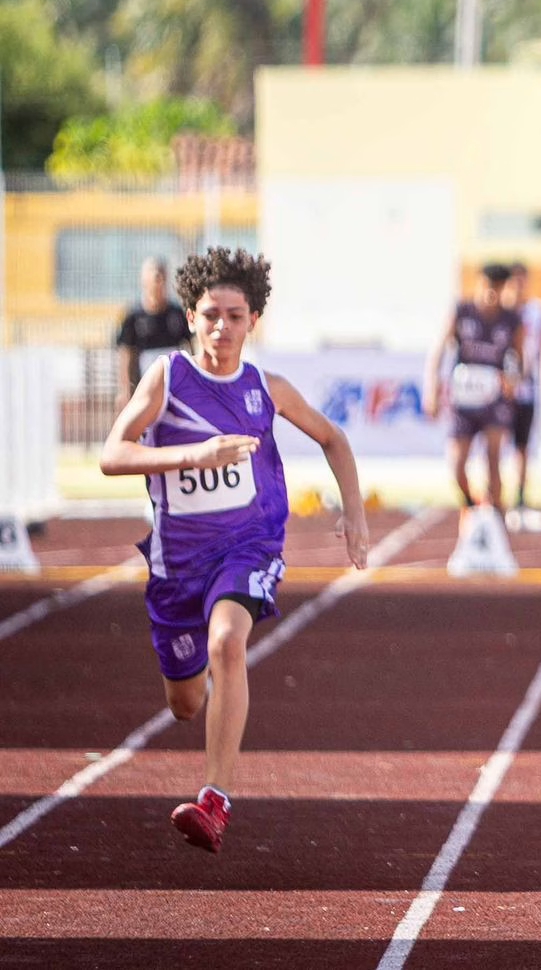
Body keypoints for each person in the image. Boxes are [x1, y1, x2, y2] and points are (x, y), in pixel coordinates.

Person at [99, 246, 368, 854]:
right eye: (211, 314)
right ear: (190, 318)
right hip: (177, 564)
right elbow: (113, 454)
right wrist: (195, 455)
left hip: (249, 546)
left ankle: (215, 801)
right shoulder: (167, 378)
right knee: (186, 703)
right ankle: (192, 693)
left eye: (235, 315)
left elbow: (333, 437)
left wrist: (354, 515)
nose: (223, 326)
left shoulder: (264, 388)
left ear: (253, 321)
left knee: (227, 642)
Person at [424, 264, 525, 520]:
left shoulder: (512, 320)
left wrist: (512, 381)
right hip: (463, 398)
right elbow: (438, 351)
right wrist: (432, 389)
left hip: (494, 399)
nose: (491, 294)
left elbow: (520, 359)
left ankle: (497, 519)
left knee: (493, 460)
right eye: (487, 287)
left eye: (497, 289)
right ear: (479, 284)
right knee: (458, 464)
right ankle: (471, 506)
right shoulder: (462, 312)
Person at [502, 262, 541, 532]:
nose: (519, 286)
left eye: (523, 280)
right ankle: (494, 500)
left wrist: (527, 374)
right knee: (494, 444)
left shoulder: (537, 311)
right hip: (500, 392)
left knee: (522, 447)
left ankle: (519, 499)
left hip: (526, 390)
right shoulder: (501, 312)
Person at [115, 257, 191, 406]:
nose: (158, 282)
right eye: (154, 277)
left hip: (174, 385)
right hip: (145, 385)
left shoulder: (176, 313)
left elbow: (191, 345)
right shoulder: (134, 315)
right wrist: (125, 389)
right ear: (144, 280)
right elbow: (126, 353)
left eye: (162, 277)